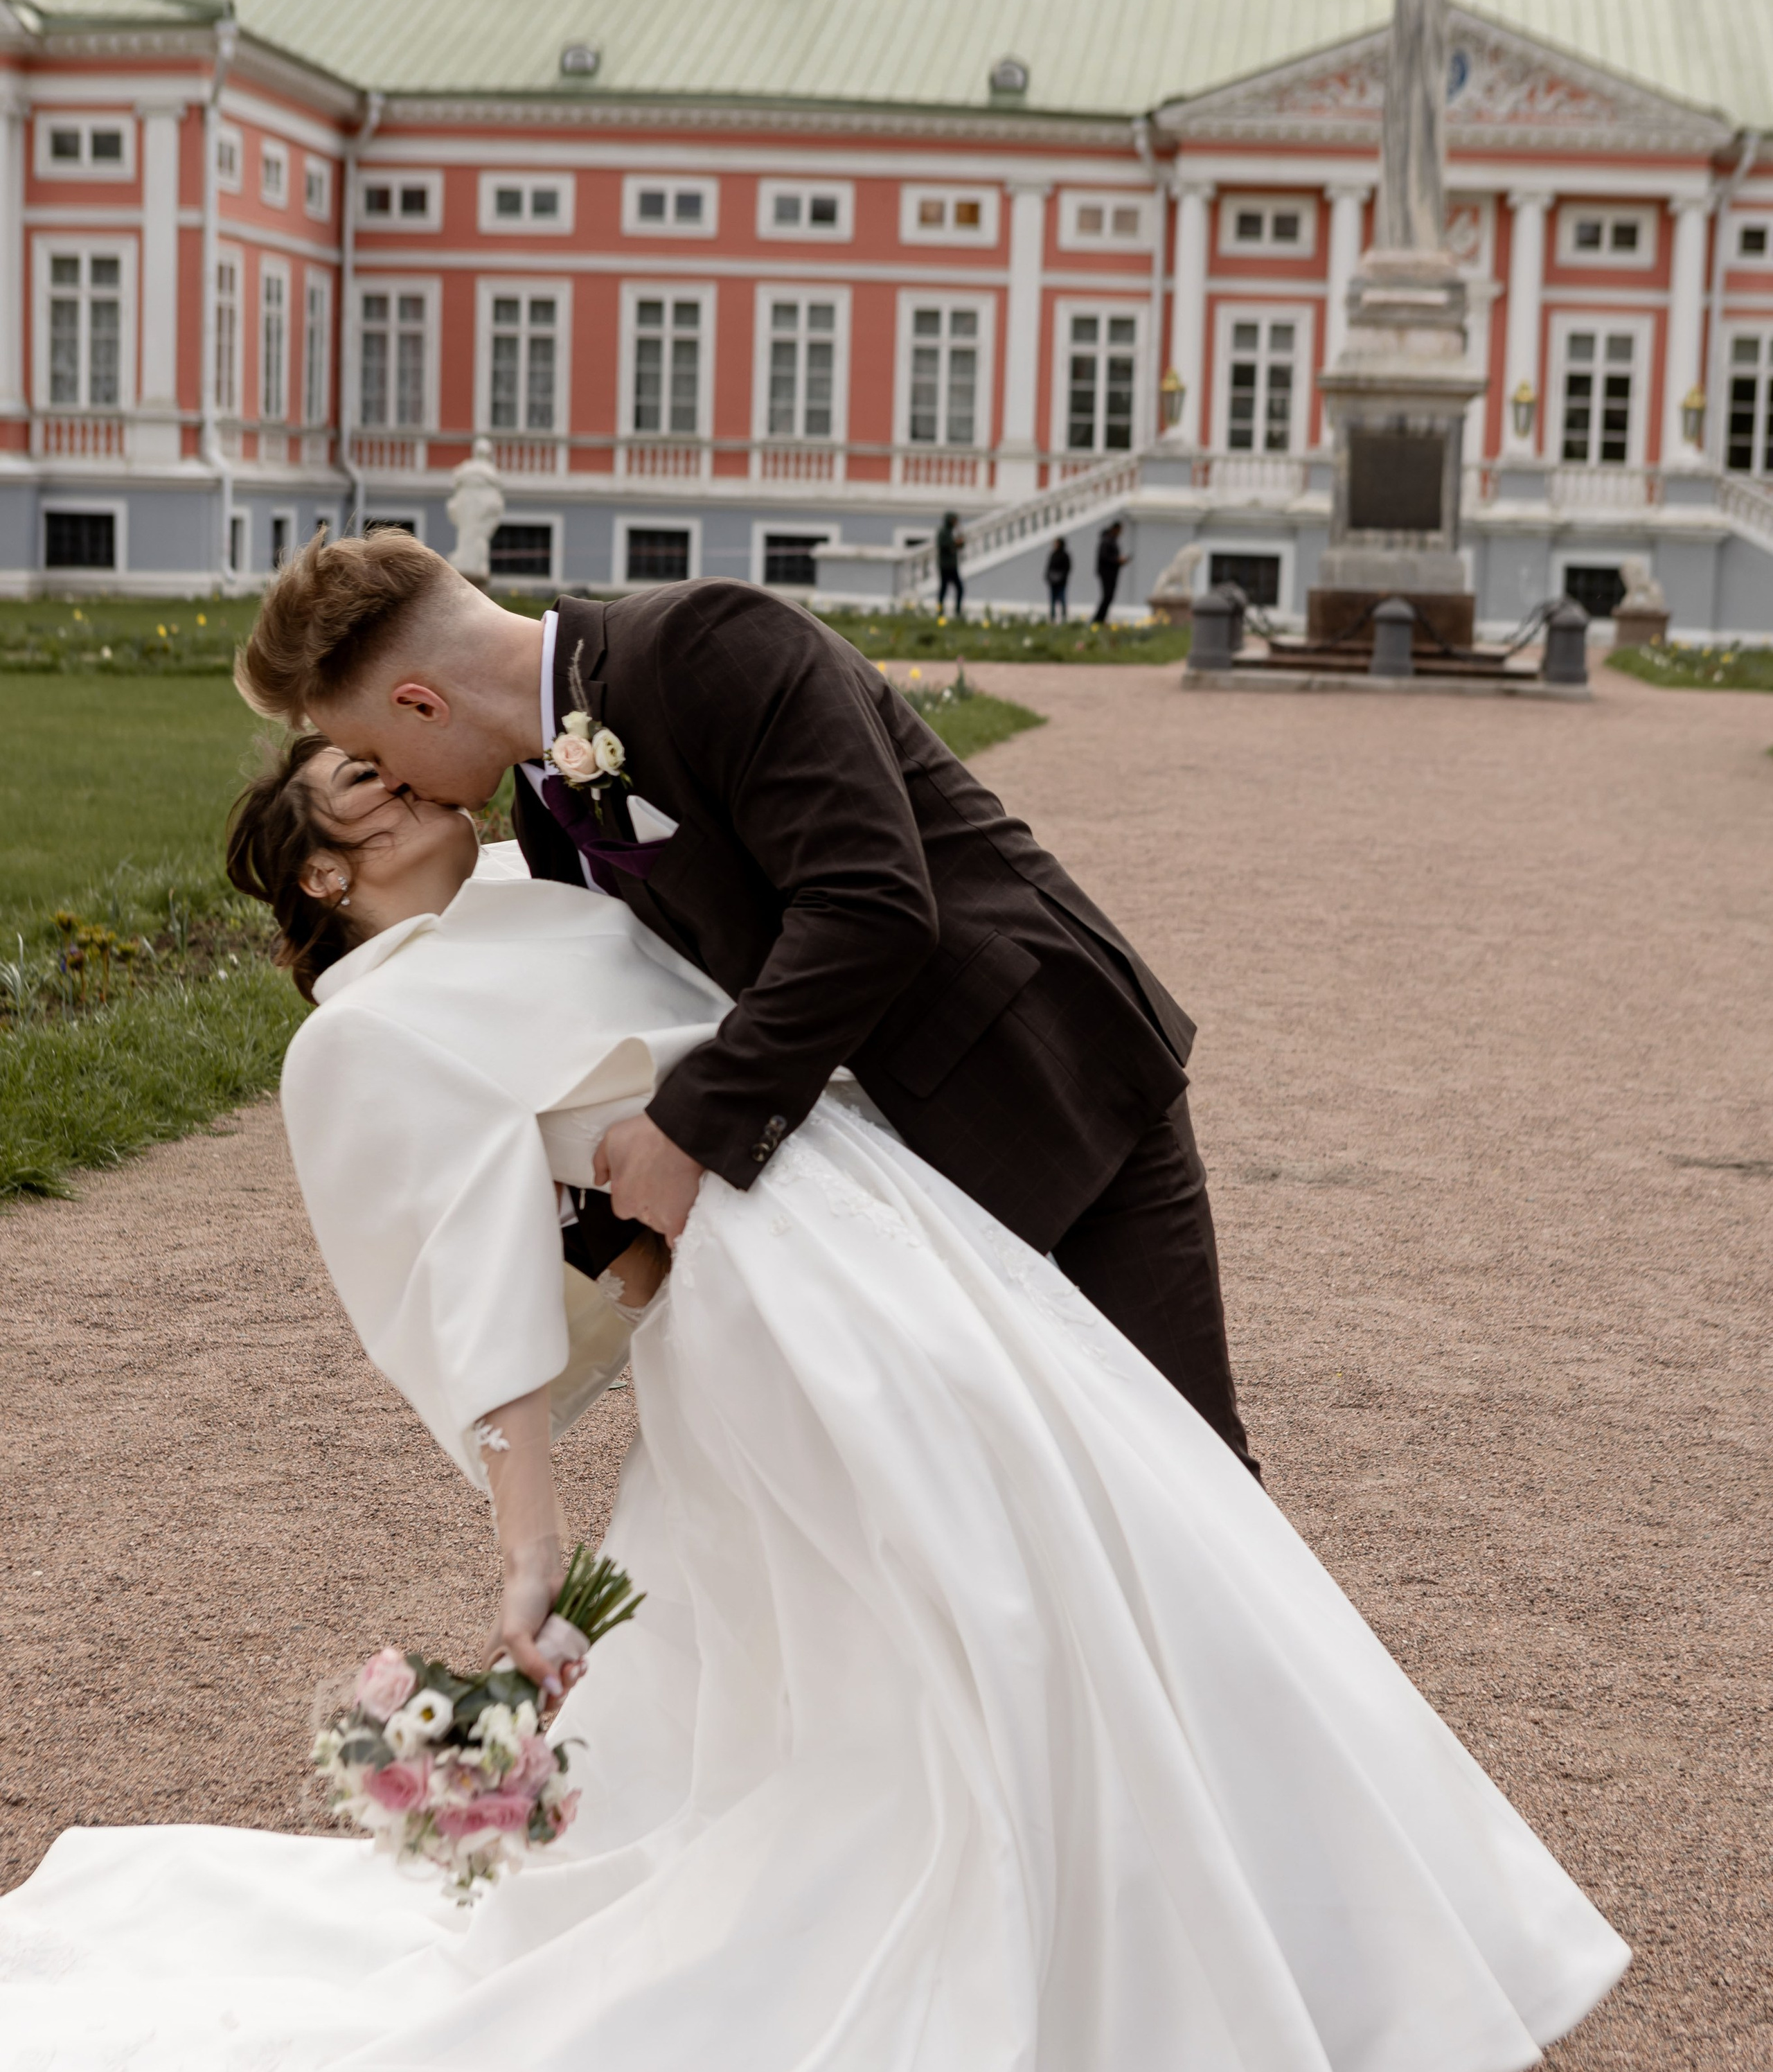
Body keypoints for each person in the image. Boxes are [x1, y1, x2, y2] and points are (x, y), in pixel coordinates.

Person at [0, 733, 1629, 2072]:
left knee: (1085, 1555)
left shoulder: (544, 898)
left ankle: (1261, 1971)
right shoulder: (363, 1035)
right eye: (357, 789)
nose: (404, 783)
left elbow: (658, 1140)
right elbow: (480, 1285)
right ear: (319, 874)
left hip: (878, 1220)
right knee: (960, 1619)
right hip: (779, 1297)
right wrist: (528, 1541)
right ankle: (1081, 2021)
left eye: (392, 760)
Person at [225, 533, 1260, 1509]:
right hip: (888, 1177)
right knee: (1029, 1505)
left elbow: (870, 905)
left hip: (1040, 1089)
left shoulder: (710, 641)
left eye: (372, 752)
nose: (395, 783)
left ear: (420, 701)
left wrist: (688, 1130)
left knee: (1192, 1485)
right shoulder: (547, 810)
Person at [1093, 518, 1128, 626]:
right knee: (1107, 596)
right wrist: (1117, 560)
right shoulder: (1107, 540)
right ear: (1115, 529)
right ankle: (1098, 619)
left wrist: (1120, 561)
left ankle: (1101, 619)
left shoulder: (1112, 540)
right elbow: (1104, 557)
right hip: (1107, 573)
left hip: (1112, 573)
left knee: (1109, 597)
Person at [935, 506, 964, 617]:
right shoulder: (943, 532)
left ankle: (957, 610)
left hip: (952, 566)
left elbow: (959, 546)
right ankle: (940, 610)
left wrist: (960, 542)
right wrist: (955, 544)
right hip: (945, 566)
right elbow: (943, 546)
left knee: (959, 588)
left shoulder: (952, 532)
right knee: (944, 589)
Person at [1044, 533, 1071, 622]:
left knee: (1062, 599)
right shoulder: (1053, 554)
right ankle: (1053, 616)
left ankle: (1064, 616)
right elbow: (1049, 567)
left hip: (1061, 581)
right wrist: (1048, 577)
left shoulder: (1065, 555)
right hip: (1053, 581)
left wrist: (1062, 577)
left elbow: (1067, 568)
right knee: (1052, 600)